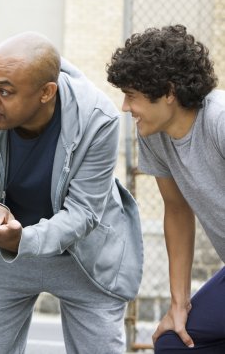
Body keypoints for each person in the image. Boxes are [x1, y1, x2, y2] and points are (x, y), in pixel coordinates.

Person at [0, 32, 143, 354]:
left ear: (46, 93)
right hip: (1, 254)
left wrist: (22, 240)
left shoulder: (98, 117)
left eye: (5, 91)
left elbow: (85, 212)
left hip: (85, 257)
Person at [107, 24, 225, 353]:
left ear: (169, 92)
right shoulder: (155, 136)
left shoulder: (219, 120)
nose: (125, 107)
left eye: (132, 96)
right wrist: (178, 304)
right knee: (174, 343)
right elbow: (176, 209)